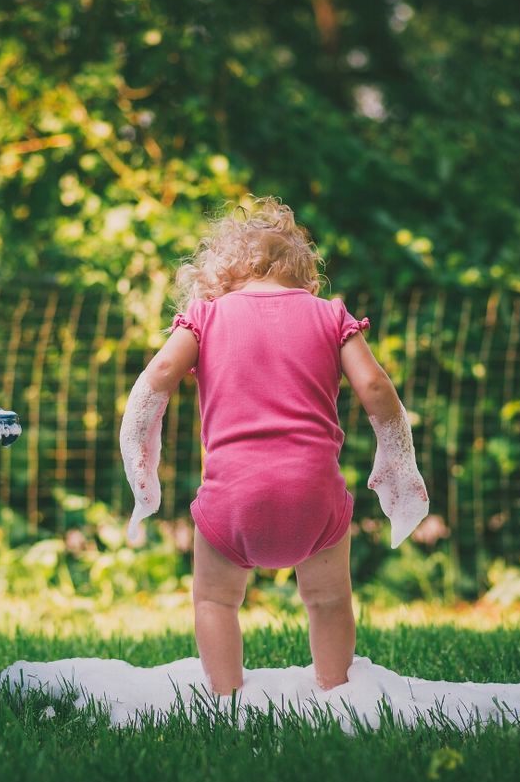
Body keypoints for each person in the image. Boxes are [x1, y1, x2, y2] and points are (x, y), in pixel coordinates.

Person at [119, 197, 429, 696]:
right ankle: (337, 691)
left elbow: (157, 376)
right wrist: (399, 455)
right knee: (329, 601)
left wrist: (137, 446)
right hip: (315, 499)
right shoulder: (330, 316)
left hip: (232, 500)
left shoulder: (206, 317)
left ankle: (226, 698)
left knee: (215, 602)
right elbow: (374, 388)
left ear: (222, 273)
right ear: (306, 274)